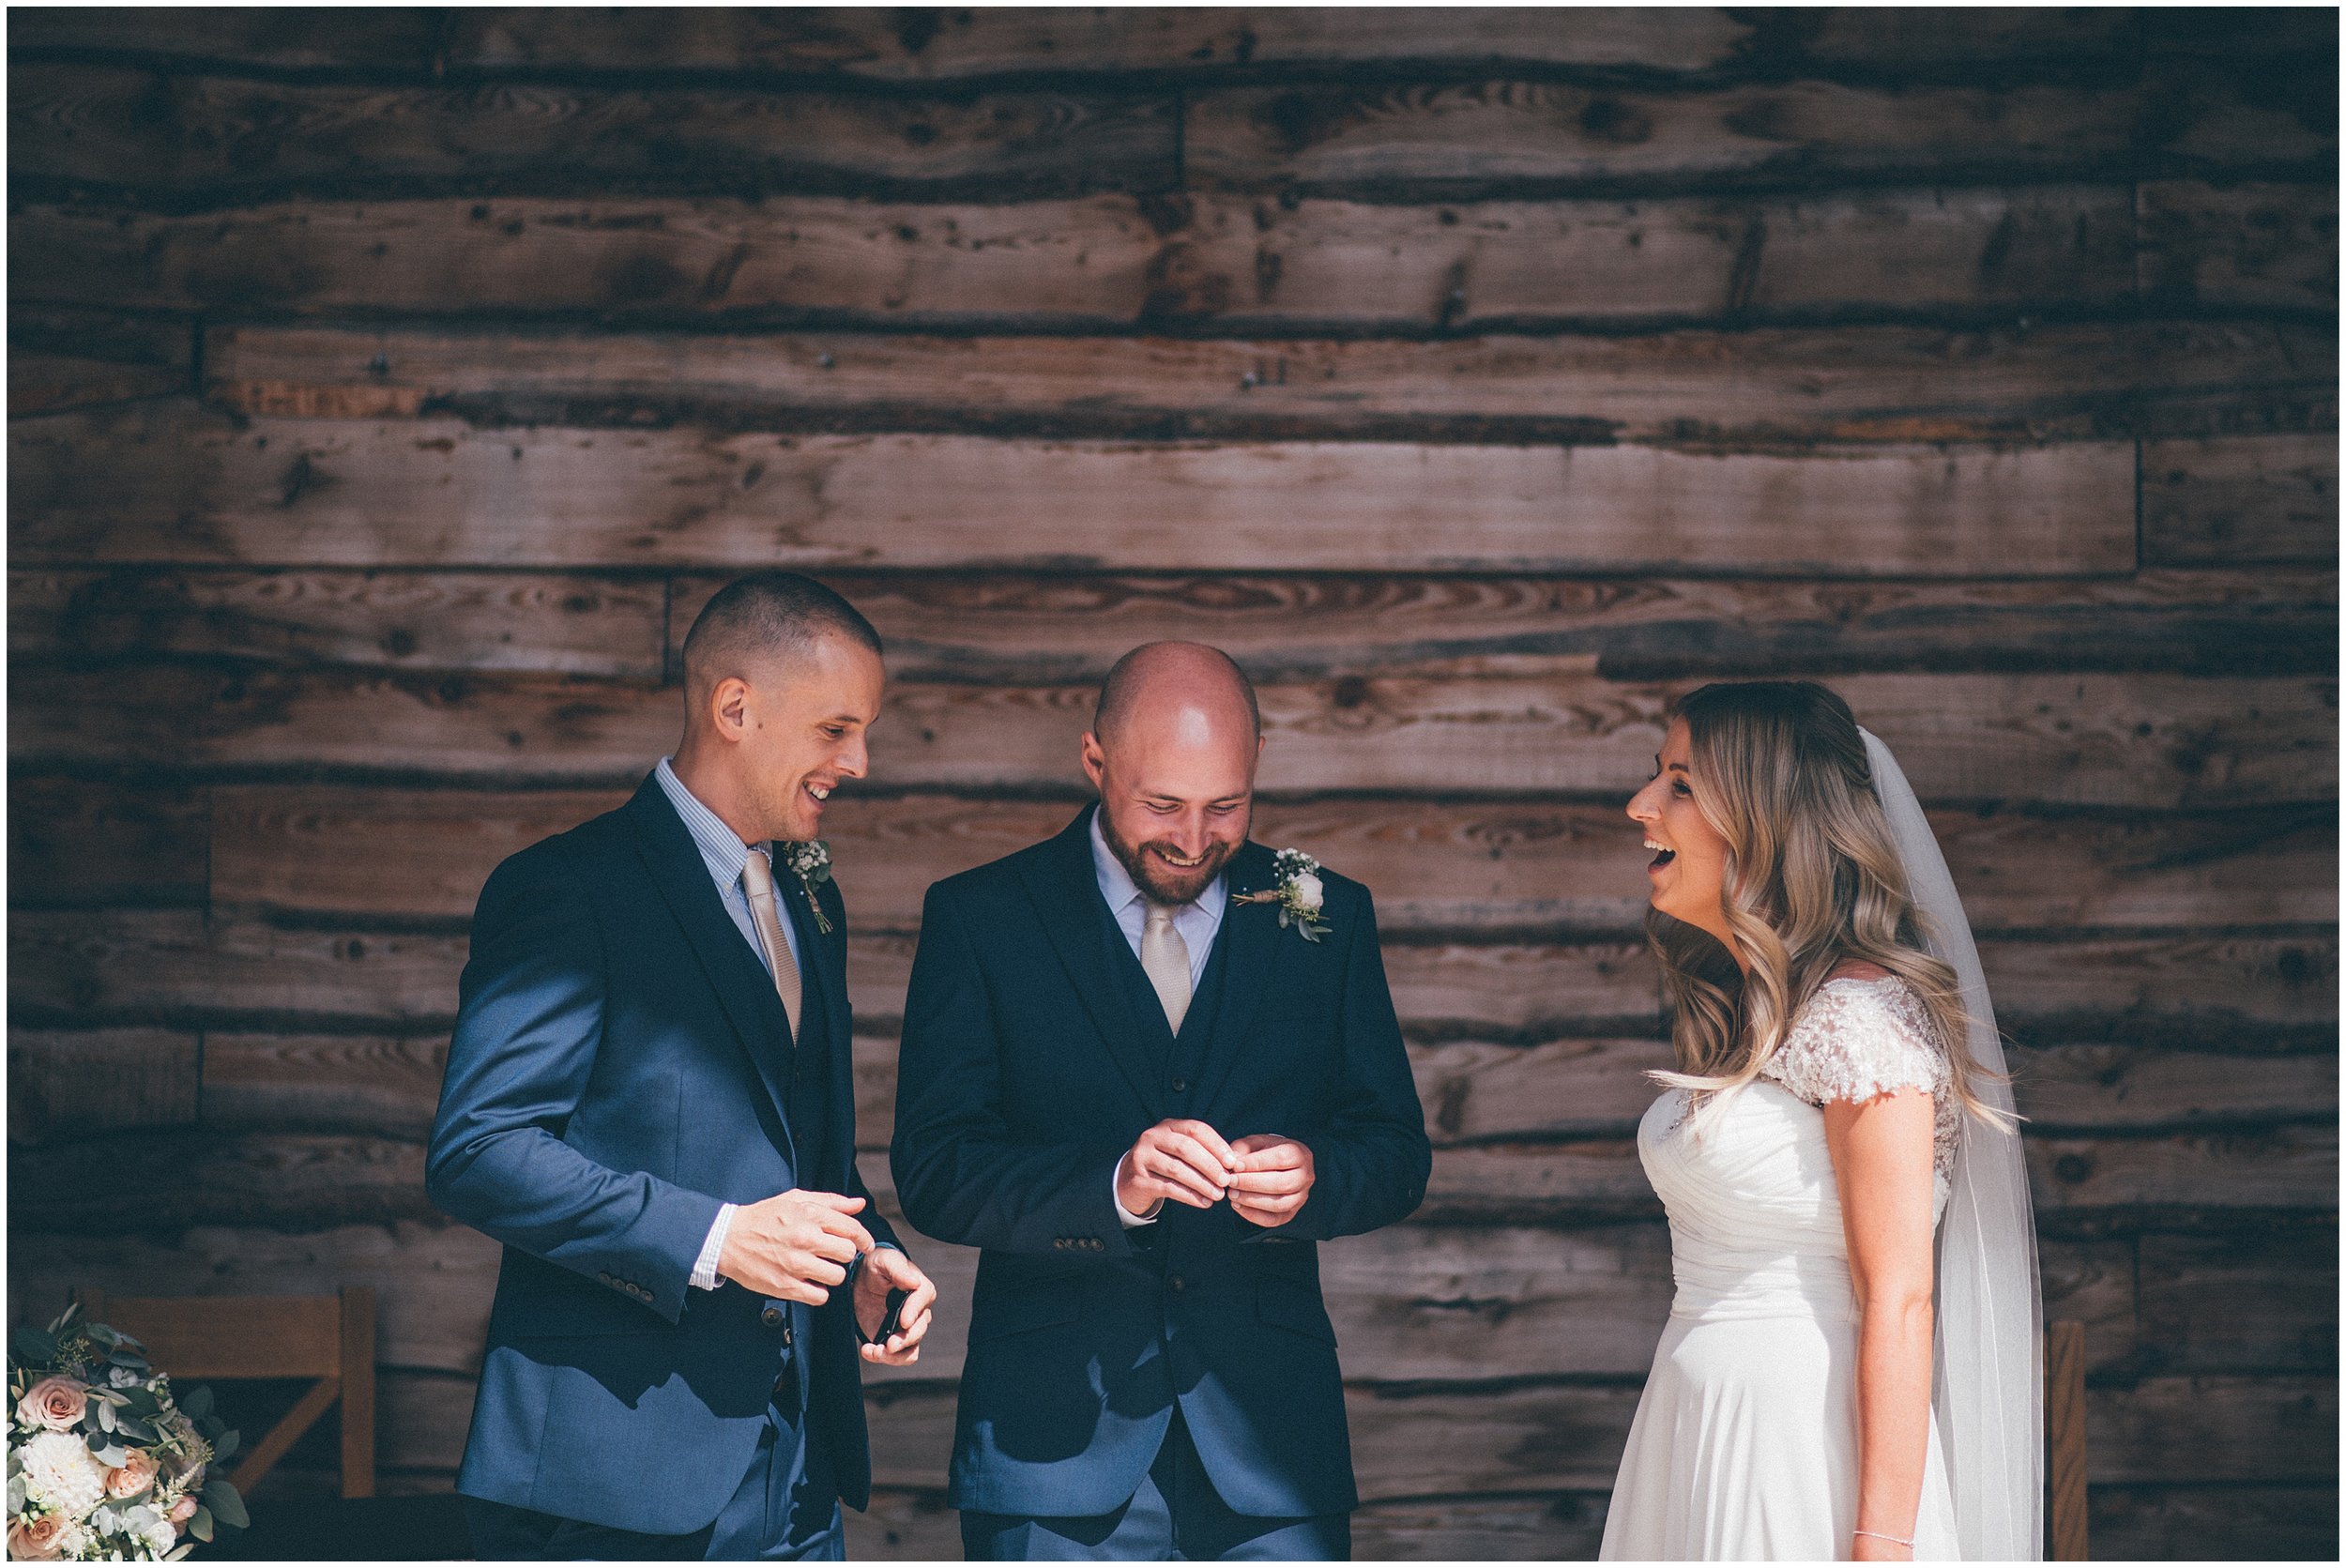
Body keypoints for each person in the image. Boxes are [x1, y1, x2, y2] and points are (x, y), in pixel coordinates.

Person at [428, 572, 938, 1560]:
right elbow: (478, 1150)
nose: (860, 761)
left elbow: (794, 1144)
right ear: (735, 708)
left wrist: (861, 1249)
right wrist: (714, 1238)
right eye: (836, 729)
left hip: (798, 1475)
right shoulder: (569, 889)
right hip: (617, 1479)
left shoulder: (808, 899)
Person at [891, 641, 1431, 1560]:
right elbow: (937, 1167)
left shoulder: (1324, 908)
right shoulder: (982, 915)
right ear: (1095, 760)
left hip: (1273, 1452)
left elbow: (1394, 1149)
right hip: (1049, 1453)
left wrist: (1316, 1174)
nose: (1191, 840)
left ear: (1257, 759)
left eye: (1224, 807)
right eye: (1161, 805)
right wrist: (1111, 1187)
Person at [1603, 680, 2041, 1562]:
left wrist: (1879, 1546)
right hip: (1693, 1416)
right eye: (1658, 777)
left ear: (1768, 817)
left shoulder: (1861, 1020)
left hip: (1798, 1442)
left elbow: (1901, 1298)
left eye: (1681, 784)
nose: (1640, 805)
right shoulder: (1766, 1008)